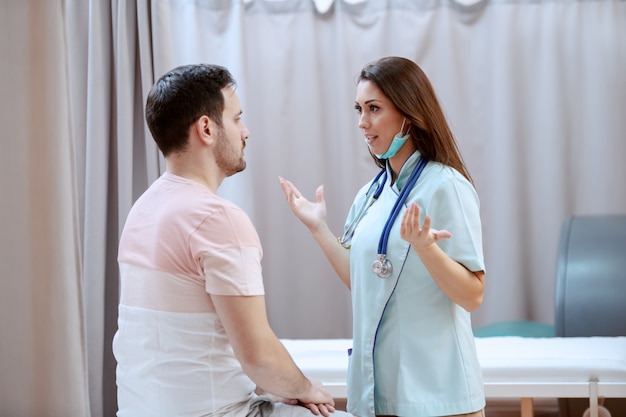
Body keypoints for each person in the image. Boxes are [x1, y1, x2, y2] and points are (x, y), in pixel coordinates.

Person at [113, 63, 354, 417]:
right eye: (237, 118)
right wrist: (307, 388)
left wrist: (281, 383)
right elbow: (259, 357)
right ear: (207, 128)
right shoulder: (217, 219)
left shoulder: (142, 210)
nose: (246, 132)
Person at [280, 56, 486, 417]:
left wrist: (426, 249)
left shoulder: (446, 186)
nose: (362, 122)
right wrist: (319, 229)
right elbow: (365, 282)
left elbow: (473, 295)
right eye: (359, 109)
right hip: (379, 393)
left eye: (374, 109)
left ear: (409, 112)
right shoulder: (370, 195)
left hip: (437, 395)